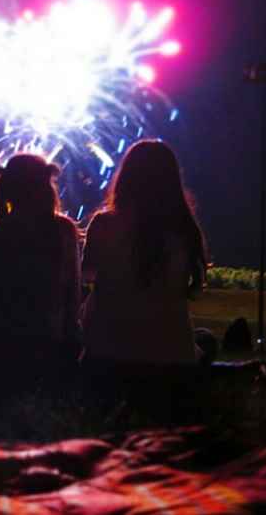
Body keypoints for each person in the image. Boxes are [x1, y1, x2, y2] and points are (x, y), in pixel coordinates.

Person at [80, 139, 211, 415]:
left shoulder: (104, 224)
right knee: (205, 341)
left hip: (108, 356)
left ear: (125, 177)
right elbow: (192, 290)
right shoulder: (185, 230)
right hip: (173, 359)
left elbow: (87, 273)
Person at [0, 154, 81, 387]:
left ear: (6, 188)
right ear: (45, 186)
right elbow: (72, 303)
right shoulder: (63, 232)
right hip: (49, 355)